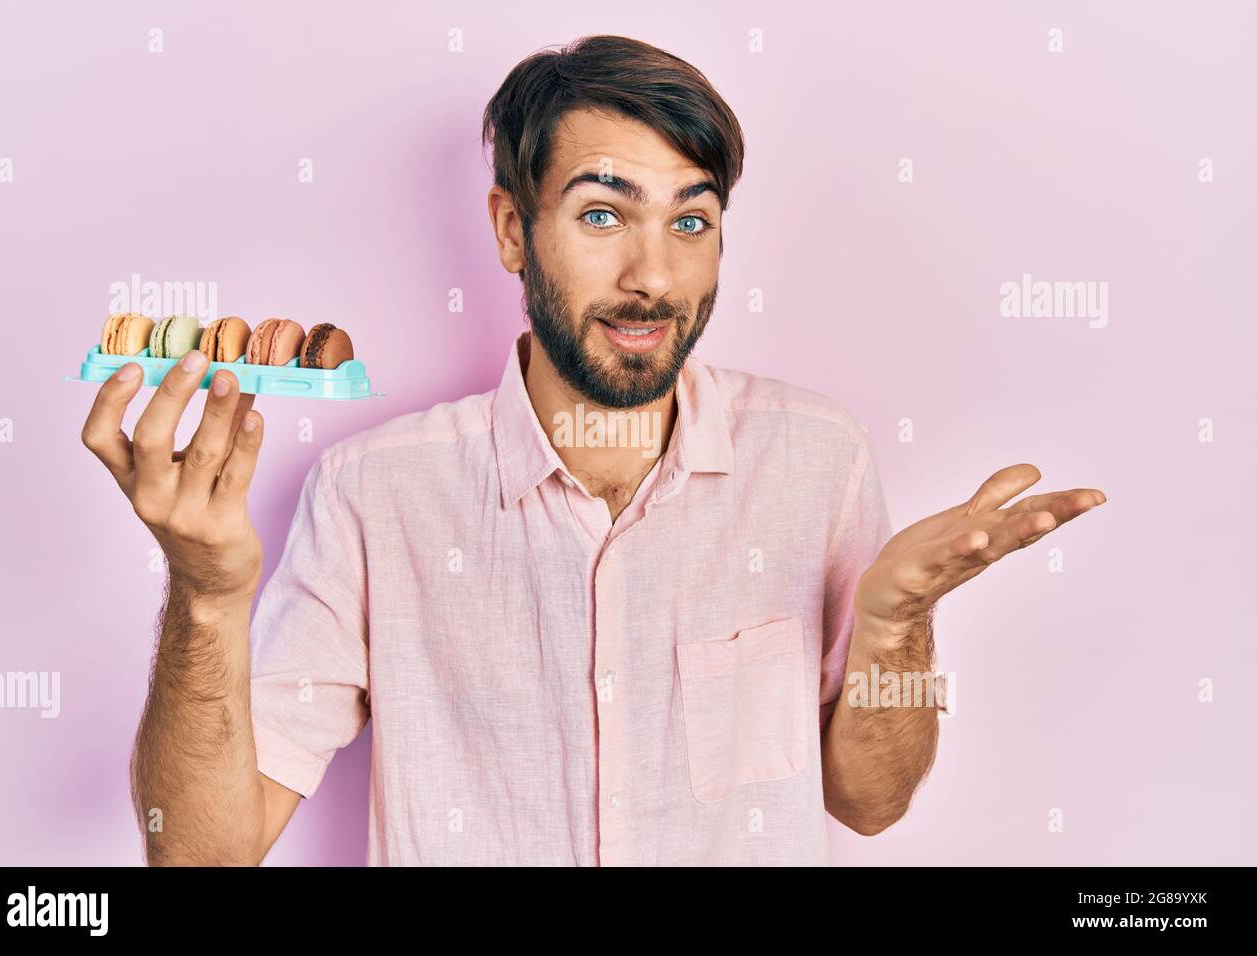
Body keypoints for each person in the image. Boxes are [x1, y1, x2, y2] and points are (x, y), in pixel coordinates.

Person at [81, 34, 1106, 866]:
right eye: (603, 213)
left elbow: (871, 803)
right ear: (512, 230)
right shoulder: (374, 495)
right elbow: (198, 857)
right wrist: (205, 595)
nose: (653, 274)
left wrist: (896, 627)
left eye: (691, 218)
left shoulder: (816, 458)